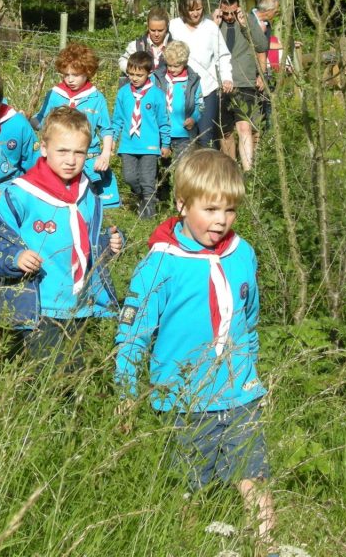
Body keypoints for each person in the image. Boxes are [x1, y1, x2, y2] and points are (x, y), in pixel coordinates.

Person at [115, 149, 275, 553]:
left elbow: (248, 318)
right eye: (211, 209)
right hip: (183, 397)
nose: (221, 221)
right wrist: (127, 392)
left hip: (240, 392)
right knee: (187, 482)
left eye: (230, 210)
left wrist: (251, 372)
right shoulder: (160, 265)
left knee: (253, 475)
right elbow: (134, 334)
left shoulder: (243, 254)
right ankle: (187, 543)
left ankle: (266, 543)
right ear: (182, 204)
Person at [0, 107, 122, 368]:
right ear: (44, 148)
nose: (71, 160)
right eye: (63, 151)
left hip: (83, 304)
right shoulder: (22, 193)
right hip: (41, 305)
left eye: (79, 152)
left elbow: (83, 241)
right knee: (46, 375)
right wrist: (15, 256)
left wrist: (107, 244)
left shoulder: (87, 192)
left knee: (77, 374)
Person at [32, 42, 120, 208]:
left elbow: (106, 129)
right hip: (58, 157)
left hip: (86, 159)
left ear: (88, 72)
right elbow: (41, 122)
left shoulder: (96, 98)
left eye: (76, 74)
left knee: (85, 203)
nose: (70, 79)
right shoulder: (55, 94)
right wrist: (25, 119)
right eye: (66, 74)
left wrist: (105, 154)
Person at [168, 0, 232, 150]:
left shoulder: (210, 27)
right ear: (183, 9)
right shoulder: (174, 26)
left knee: (205, 137)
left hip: (206, 90)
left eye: (199, 9)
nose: (196, 14)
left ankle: (209, 172)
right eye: (191, 10)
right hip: (179, 91)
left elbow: (223, 55)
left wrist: (226, 77)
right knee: (183, 137)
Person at [111, 51, 171, 218]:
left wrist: (165, 143)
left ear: (149, 73)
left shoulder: (157, 94)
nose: (134, 78)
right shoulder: (123, 93)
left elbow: (163, 121)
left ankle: (148, 212)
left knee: (147, 179)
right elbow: (117, 119)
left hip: (149, 146)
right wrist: (113, 139)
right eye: (131, 74)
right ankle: (141, 197)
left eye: (139, 75)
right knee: (129, 177)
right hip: (128, 145)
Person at [215, 0, 269, 171]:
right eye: (225, 13)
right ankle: (231, 170)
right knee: (225, 131)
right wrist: (214, 25)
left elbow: (262, 45)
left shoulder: (246, 20)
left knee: (244, 127)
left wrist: (245, 25)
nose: (229, 17)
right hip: (220, 83)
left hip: (244, 81)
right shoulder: (213, 22)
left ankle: (248, 171)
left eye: (232, 12)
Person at [155, 40, 203, 161]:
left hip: (183, 133)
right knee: (160, 168)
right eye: (169, 65)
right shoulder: (157, 78)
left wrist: (194, 118)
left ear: (185, 62)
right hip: (159, 132)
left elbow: (200, 105)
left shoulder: (192, 81)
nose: (172, 69)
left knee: (182, 165)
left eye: (176, 66)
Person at [117, 6, 171, 86]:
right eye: (152, 30)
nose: (156, 34)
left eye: (160, 30)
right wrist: (135, 73)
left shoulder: (175, 47)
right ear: (147, 27)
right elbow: (122, 61)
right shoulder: (136, 46)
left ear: (166, 27)